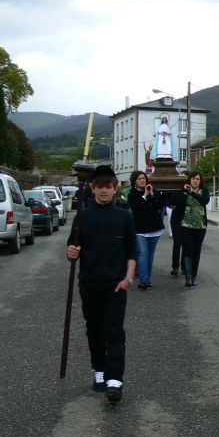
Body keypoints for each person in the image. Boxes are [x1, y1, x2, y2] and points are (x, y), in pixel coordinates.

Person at [66, 165, 136, 403]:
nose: (104, 190)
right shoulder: (82, 217)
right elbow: (71, 250)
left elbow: (132, 252)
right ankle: (99, 371)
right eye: (100, 186)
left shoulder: (124, 217)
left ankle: (115, 379)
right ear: (93, 189)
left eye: (108, 186)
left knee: (114, 331)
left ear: (115, 189)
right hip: (89, 283)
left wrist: (127, 279)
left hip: (116, 285)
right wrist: (72, 252)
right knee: (94, 330)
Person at [127, 171, 165, 290]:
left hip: (154, 227)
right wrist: (144, 196)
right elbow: (136, 208)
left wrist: (152, 194)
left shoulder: (153, 191)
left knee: (150, 254)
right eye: (139, 179)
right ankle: (143, 280)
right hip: (139, 229)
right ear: (134, 181)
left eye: (143, 178)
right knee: (143, 253)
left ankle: (147, 279)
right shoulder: (132, 194)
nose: (142, 180)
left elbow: (159, 206)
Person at [174, 171, 210, 287]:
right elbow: (177, 203)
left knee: (196, 251)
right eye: (193, 178)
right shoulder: (184, 191)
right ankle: (188, 277)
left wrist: (192, 193)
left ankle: (193, 276)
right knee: (188, 249)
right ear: (189, 180)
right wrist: (185, 192)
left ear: (201, 181)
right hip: (186, 225)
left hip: (200, 226)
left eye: (198, 179)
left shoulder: (203, 191)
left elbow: (204, 201)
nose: (195, 181)